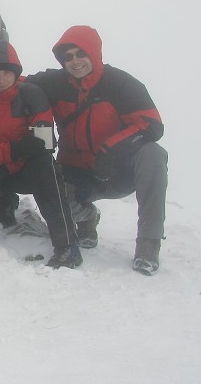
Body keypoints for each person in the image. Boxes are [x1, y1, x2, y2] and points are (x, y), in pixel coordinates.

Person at [25, 25, 168, 275]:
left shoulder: (121, 84)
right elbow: (13, 81)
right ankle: (87, 217)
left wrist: (110, 149)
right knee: (53, 196)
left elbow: (152, 125)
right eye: (68, 57)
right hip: (77, 173)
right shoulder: (55, 83)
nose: (75, 61)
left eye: (81, 53)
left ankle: (148, 243)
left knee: (153, 154)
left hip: (120, 171)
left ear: (94, 52)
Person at [0, 41, 82, 269]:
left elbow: (45, 142)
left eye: (7, 72)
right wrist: (15, 149)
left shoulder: (32, 95)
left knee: (46, 166)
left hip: (26, 169)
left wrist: (17, 152)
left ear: (16, 72)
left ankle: (67, 243)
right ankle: (2, 205)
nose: (1, 79)